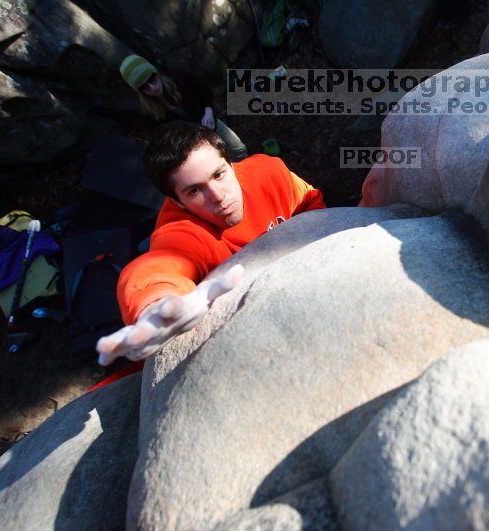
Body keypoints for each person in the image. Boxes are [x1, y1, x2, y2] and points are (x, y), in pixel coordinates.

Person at [96, 121, 326, 366]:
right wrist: (156, 304)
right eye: (195, 191)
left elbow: (309, 201)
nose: (218, 196)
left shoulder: (269, 172)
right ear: (179, 202)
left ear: (231, 164)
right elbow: (158, 266)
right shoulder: (183, 231)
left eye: (219, 175)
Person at [119, 54, 249, 162]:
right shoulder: (149, 114)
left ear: (156, 73)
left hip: (212, 125)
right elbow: (163, 139)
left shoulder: (178, 77)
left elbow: (203, 90)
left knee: (239, 150)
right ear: (140, 92)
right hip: (195, 145)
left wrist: (208, 112)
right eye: (144, 87)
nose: (153, 88)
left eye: (152, 79)